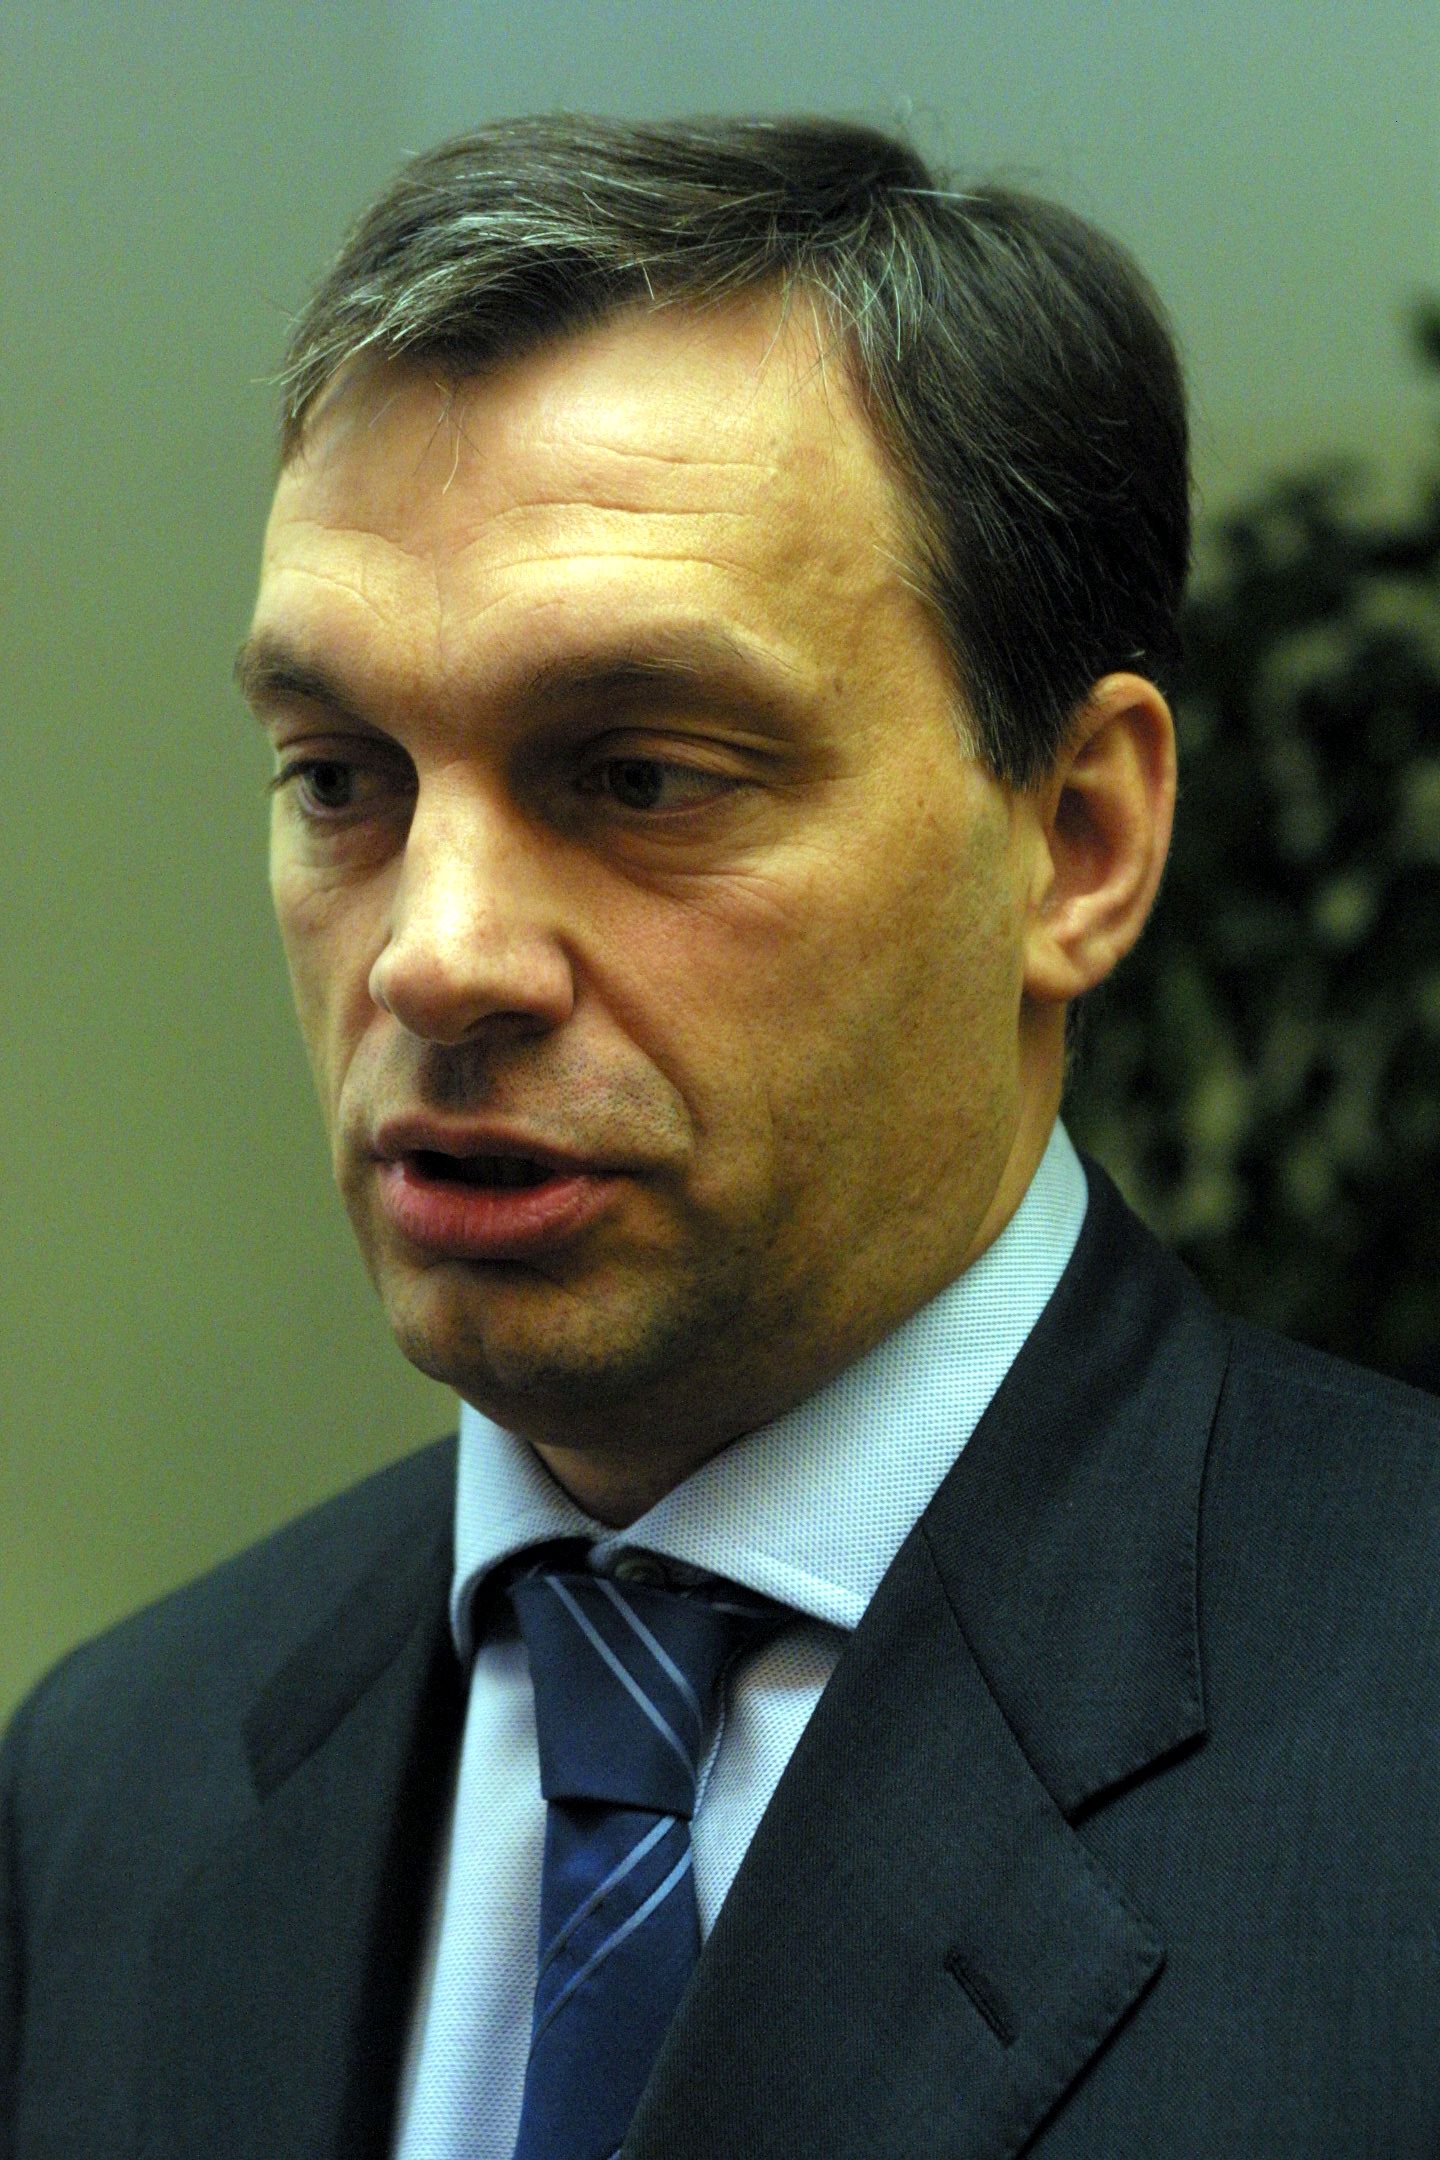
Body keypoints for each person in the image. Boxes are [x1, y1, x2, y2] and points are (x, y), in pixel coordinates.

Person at [4, 114, 1439, 2160]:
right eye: (340, 778)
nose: (436, 956)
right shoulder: (112, 1790)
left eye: (643, 777)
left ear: (1078, 841)